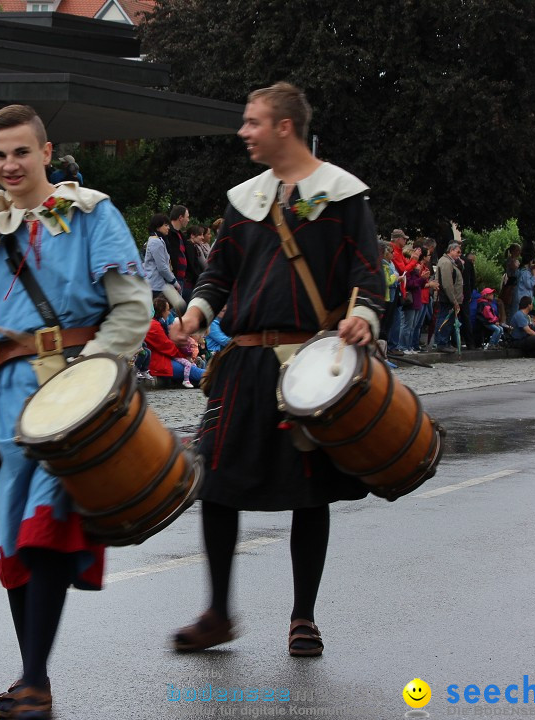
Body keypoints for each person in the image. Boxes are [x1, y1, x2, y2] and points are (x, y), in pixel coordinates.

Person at [0, 104, 149, 719]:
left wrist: (95, 381)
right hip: (7, 396)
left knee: (45, 531)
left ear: (46, 152)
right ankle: (35, 677)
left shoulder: (93, 213)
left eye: (20, 152)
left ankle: (33, 679)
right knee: (13, 539)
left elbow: (132, 308)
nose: (8, 165)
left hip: (73, 386)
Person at [168, 82, 383, 657]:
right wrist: (195, 311)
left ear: (284, 126)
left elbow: (368, 272)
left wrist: (361, 314)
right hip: (243, 363)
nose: (244, 132)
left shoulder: (342, 196)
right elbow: (219, 274)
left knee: (308, 493)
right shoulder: (244, 201)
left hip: (310, 362)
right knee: (217, 485)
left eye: (253, 122)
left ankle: (303, 617)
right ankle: (217, 612)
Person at [145, 296, 203, 387]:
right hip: (159, 363)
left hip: (162, 359)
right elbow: (167, 346)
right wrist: (184, 356)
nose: (169, 313)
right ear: (162, 311)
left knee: (194, 373)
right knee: (193, 371)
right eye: (167, 310)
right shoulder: (154, 325)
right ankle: (220, 376)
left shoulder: (156, 323)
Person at [433, 242, 463, 352]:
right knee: (444, 319)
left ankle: (443, 341)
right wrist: (454, 300)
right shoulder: (446, 262)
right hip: (446, 297)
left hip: (448, 297)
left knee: (447, 320)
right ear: (451, 250)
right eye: (458, 252)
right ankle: (441, 342)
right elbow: (447, 284)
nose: (459, 254)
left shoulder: (450, 262)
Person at [141, 213, 177, 297]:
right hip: (156, 287)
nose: (168, 228)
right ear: (157, 227)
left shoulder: (158, 240)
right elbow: (162, 267)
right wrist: (174, 282)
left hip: (157, 286)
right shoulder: (156, 242)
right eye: (165, 225)